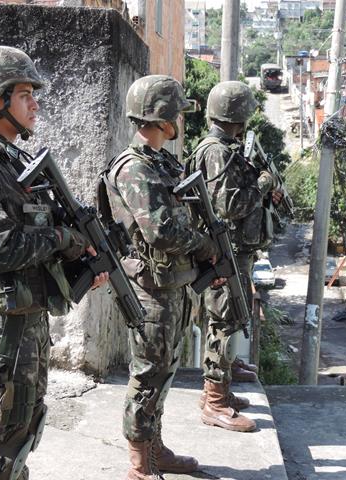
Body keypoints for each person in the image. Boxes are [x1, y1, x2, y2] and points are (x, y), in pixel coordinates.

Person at [0, 45, 107, 480]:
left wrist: (80, 254)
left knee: (25, 428)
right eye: (24, 94)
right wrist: (66, 239)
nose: (35, 103)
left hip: (26, 315)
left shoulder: (10, 159)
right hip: (1, 323)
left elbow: (33, 234)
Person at [103, 74, 219, 479]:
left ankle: (155, 447)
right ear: (162, 118)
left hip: (175, 284)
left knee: (166, 369)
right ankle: (139, 464)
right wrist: (205, 245)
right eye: (176, 115)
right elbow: (162, 230)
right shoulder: (134, 168)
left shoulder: (163, 162)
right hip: (152, 289)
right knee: (148, 374)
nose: (180, 122)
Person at [188, 80, 283, 433]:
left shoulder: (226, 149)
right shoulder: (217, 151)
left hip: (235, 249)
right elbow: (227, 205)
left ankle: (221, 385)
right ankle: (214, 401)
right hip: (224, 250)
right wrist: (262, 185)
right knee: (225, 320)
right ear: (237, 116)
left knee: (231, 317)